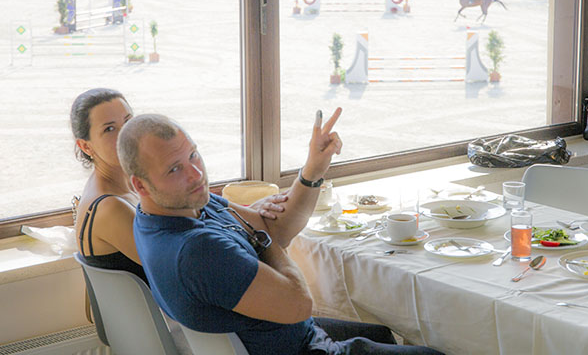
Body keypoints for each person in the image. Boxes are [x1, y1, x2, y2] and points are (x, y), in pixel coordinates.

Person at [118, 111, 444, 355]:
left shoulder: (179, 206)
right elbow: (299, 303)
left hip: (291, 336)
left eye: (193, 155)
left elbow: (276, 227)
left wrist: (313, 169)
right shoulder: (197, 250)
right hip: (302, 347)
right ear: (140, 185)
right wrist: (265, 243)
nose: (196, 174)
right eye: (174, 168)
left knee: (382, 334)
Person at [70, 88, 288, 283]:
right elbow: (186, 262)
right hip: (167, 314)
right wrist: (245, 226)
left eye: (128, 121)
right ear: (85, 146)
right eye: (109, 129)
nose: (124, 134)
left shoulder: (125, 184)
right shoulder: (109, 207)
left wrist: (243, 216)